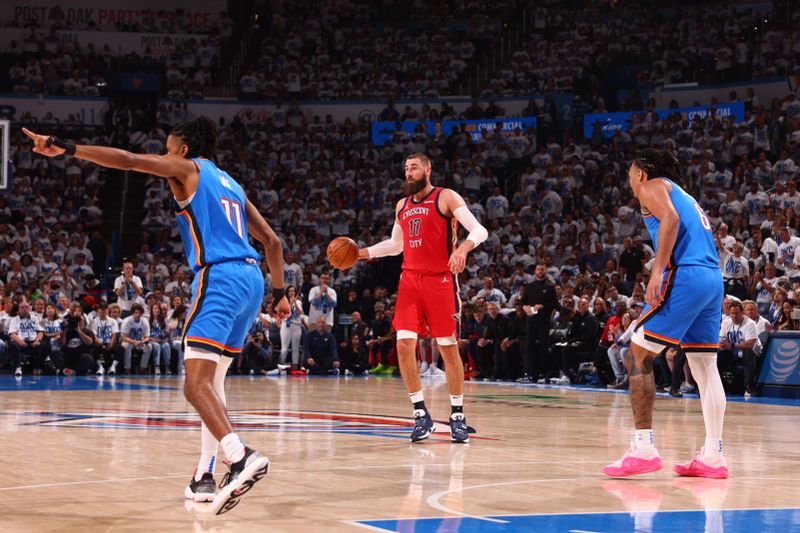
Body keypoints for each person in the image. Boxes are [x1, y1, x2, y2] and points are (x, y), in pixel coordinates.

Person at [24, 117, 290, 515]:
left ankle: (240, 457)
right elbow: (272, 241)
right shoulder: (232, 183)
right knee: (212, 386)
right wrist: (281, 294)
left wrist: (68, 147)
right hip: (253, 281)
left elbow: (129, 161)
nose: (164, 155)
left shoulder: (187, 168)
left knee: (194, 385)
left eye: (167, 148)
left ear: (183, 149)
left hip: (220, 275)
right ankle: (204, 473)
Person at [604, 149, 728, 479]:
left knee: (636, 356)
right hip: (712, 280)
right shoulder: (684, 193)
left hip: (685, 275)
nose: (629, 179)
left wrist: (657, 270)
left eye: (630, 172)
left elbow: (670, 220)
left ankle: (643, 448)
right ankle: (713, 456)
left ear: (641, 173)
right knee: (705, 367)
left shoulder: (652, 186)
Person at [353, 152, 488, 443]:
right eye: (406, 169)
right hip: (410, 281)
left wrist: (462, 249)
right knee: (403, 345)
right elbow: (394, 245)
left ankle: (457, 415)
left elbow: (480, 229)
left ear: (427, 170)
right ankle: (420, 414)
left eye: (414, 168)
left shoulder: (445, 197)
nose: (409, 173)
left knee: (448, 348)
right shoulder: (401, 205)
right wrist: (361, 253)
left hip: (440, 281)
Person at [279, 285, 305, 372]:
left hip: (296, 326)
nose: (292, 293)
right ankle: (281, 364)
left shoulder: (298, 302)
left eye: (293, 291)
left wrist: (295, 303)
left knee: (295, 347)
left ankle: (295, 365)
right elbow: (285, 313)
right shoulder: (283, 301)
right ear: (287, 292)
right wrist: (290, 303)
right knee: (284, 347)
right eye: (290, 291)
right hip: (286, 325)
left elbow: (300, 312)